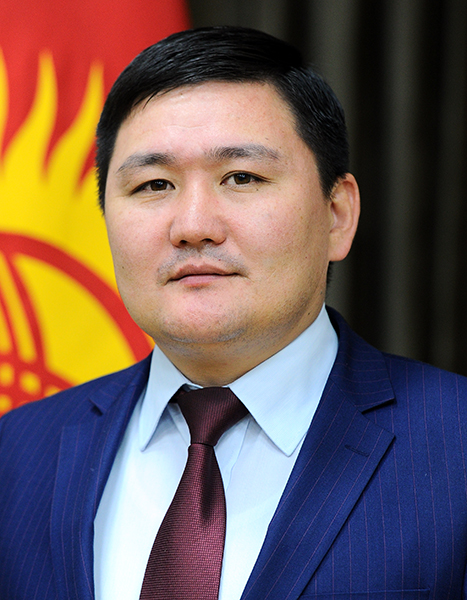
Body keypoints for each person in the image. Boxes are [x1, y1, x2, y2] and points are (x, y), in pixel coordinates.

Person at [0, 25, 466, 600]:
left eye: (242, 178)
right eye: (153, 185)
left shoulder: (455, 446)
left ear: (337, 214)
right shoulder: (18, 452)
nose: (193, 225)